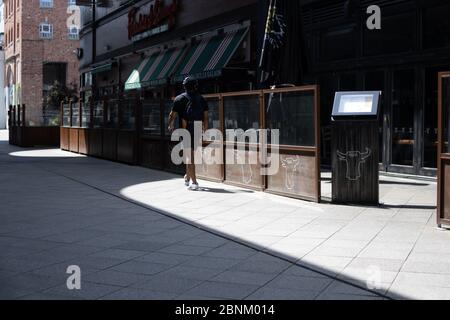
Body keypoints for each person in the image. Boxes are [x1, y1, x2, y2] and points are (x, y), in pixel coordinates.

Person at [168, 77, 209, 190]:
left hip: (185, 128)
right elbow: (206, 117)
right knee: (190, 155)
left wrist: (170, 124)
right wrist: (205, 130)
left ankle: (194, 182)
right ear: (195, 86)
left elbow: (172, 115)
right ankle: (187, 177)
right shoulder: (201, 99)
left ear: (184, 86)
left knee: (189, 156)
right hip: (197, 127)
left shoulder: (179, 99)